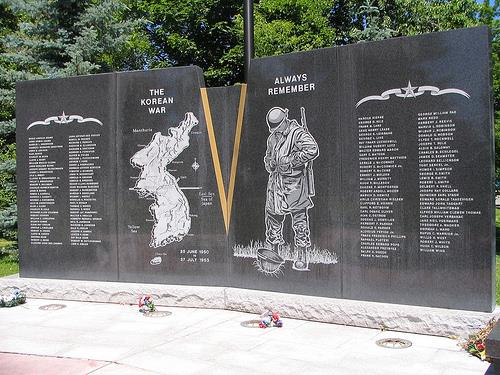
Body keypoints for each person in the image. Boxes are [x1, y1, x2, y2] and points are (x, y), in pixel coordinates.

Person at [264, 106, 319, 271]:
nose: (274, 131)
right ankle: (273, 253)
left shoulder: (298, 133)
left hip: (294, 184)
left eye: (277, 127)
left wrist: (292, 160)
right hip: (275, 185)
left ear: (284, 121)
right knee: (272, 218)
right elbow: (267, 157)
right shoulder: (272, 138)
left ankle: (301, 255)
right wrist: (270, 163)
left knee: (299, 220)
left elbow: (312, 150)